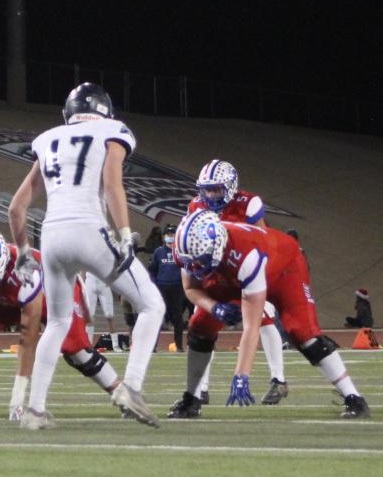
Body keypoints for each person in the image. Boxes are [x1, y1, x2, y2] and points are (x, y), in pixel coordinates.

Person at [7, 82, 166, 429]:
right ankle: (132, 389)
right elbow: (111, 185)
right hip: (88, 229)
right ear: (104, 111)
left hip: (50, 236)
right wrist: (124, 233)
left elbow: (16, 208)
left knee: (59, 324)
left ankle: (34, 411)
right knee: (153, 304)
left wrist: (22, 251)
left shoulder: (48, 138)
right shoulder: (112, 130)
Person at [171, 209, 370, 419]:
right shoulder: (190, 249)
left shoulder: (247, 256)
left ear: (218, 245)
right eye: (192, 262)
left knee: (303, 333)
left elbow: (252, 326)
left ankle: (354, 397)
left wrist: (241, 376)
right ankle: (192, 398)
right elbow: (191, 288)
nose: (196, 267)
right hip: (229, 271)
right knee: (200, 327)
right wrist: (214, 307)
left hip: (284, 271)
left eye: (201, 261)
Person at [0, 228, 129, 422]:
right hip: (4, 292)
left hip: (54, 292)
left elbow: (28, 340)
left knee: (77, 352)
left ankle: (124, 396)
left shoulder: (26, 276)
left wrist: (17, 397)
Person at [185, 160, 291, 405]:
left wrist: (264, 278)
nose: (211, 194)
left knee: (263, 317)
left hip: (246, 270)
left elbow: (264, 242)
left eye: (217, 189)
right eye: (207, 189)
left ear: (231, 187)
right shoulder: (196, 205)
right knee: (201, 324)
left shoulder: (248, 204)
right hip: (214, 272)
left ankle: (278, 379)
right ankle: (201, 388)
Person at [147, 225, 186, 351]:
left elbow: (187, 269)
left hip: (177, 288)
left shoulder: (181, 251)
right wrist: (154, 285)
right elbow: (152, 270)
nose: (171, 238)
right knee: (158, 316)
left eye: (173, 235)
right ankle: (153, 346)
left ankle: (179, 346)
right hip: (161, 288)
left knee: (178, 317)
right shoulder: (158, 252)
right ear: (164, 237)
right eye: (168, 235)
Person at [79, 269, 122, 350]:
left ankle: (115, 345)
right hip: (90, 281)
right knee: (90, 315)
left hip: (103, 282)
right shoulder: (88, 255)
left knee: (110, 315)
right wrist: (81, 285)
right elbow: (83, 268)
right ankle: (89, 344)